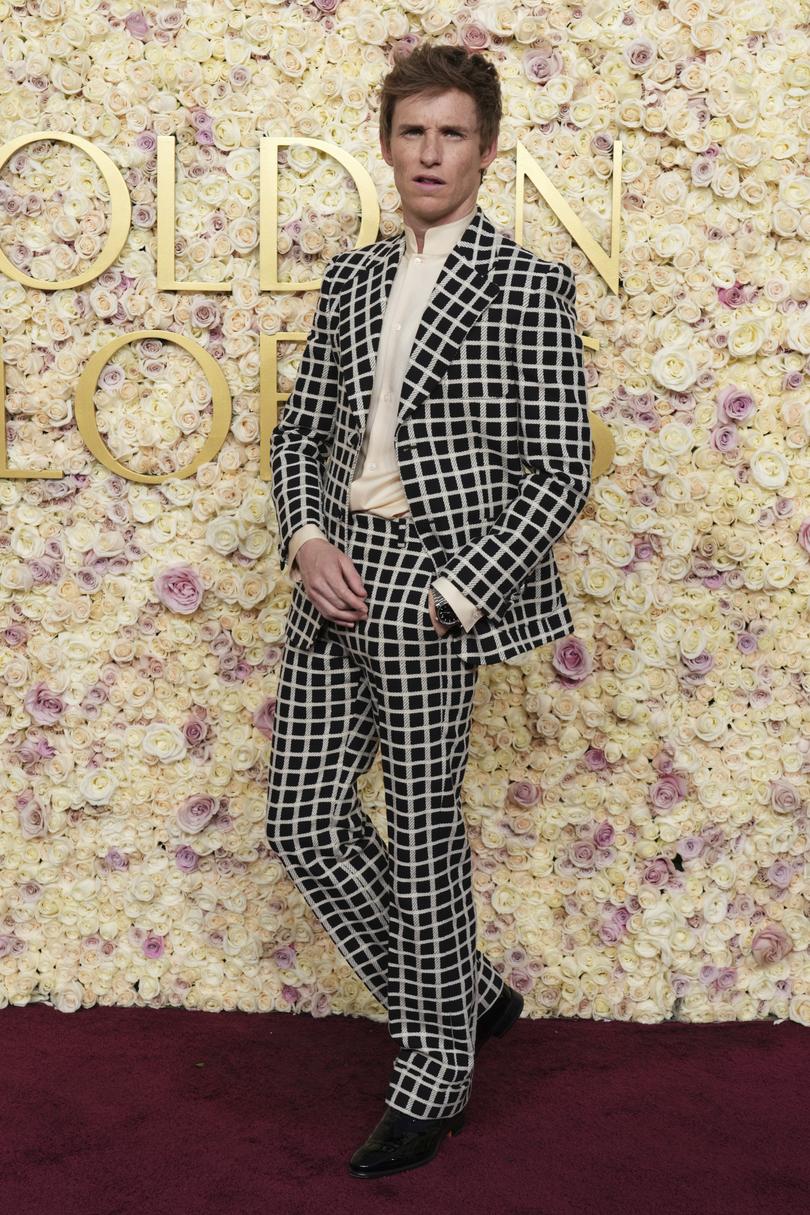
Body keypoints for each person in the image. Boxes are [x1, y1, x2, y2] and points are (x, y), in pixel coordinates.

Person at [266, 43, 592, 1179]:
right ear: (388, 143)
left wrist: (458, 594)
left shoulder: (526, 283)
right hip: (331, 575)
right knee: (302, 821)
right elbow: (303, 434)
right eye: (413, 132)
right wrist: (305, 538)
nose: (430, 152)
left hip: (432, 588)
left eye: (453, 133)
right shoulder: (351, 279)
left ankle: (434, 1065)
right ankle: (465, 991)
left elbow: (560, 470)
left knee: (419, 830)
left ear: (486, 151)